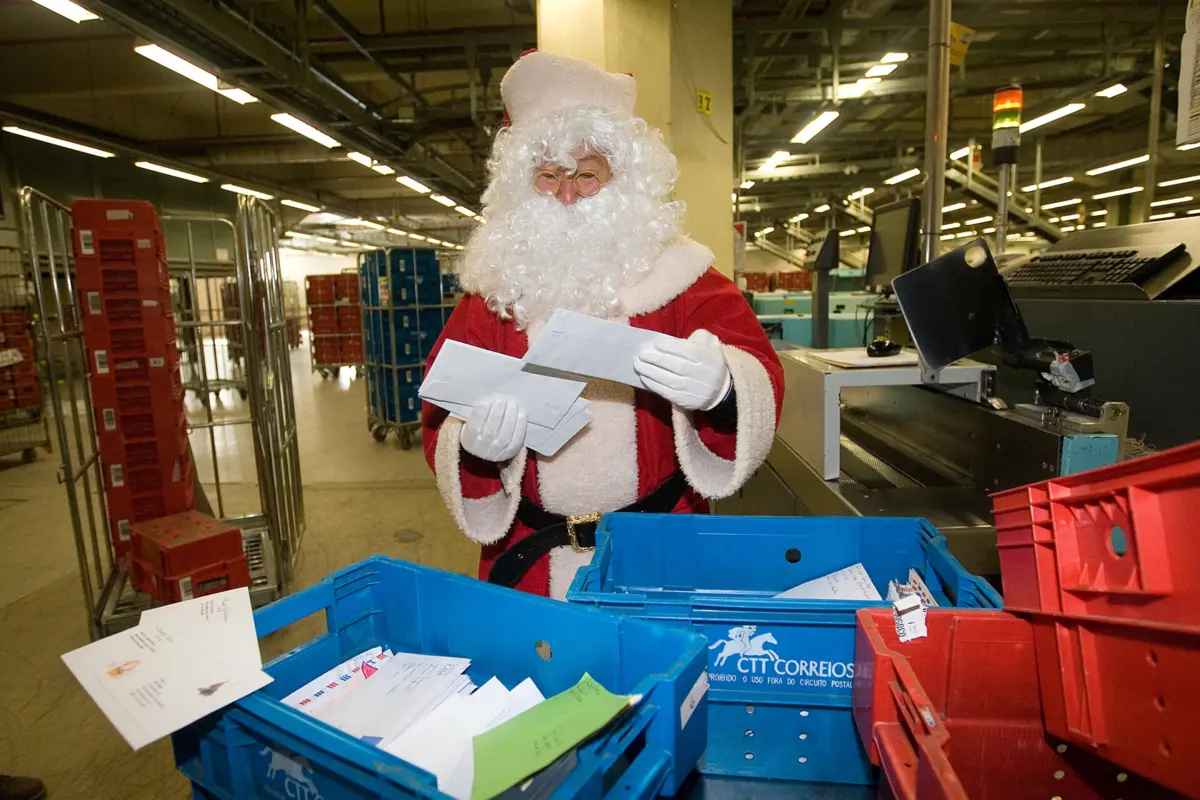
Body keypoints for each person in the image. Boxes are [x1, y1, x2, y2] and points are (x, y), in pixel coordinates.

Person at [422, 50, 784, 599]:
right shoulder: (493, 289)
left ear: (622, 177)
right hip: (531, 557)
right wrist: (473, 446)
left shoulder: (685, 276)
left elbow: (760, 371)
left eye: (586, 175)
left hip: (664, 550)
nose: (567, 194)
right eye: (548, 176)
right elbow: (439, 408)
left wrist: (725, 388)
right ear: (524, 184)